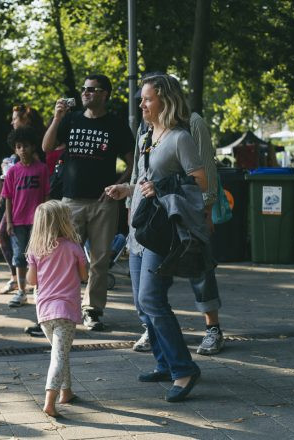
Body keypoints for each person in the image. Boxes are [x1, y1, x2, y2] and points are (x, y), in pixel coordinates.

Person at [105, 74, 207, 402]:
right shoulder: (145, 135)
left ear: (165, 99)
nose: (141, 104)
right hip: (141, 226)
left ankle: (184, 368)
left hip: (163, 230)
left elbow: (201, 182)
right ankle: (163, 362)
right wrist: (129, 189)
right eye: (141, 99)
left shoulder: (181, 138)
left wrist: (161, 187)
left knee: (152, 299)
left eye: (147, 99)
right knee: (140, 302)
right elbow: (145, 179)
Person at [42, 74, 134, 331]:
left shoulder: (115, 125)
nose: (86, 93)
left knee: (100, 259)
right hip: (71, 200)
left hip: (104, 202)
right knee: (64, 256)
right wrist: (57, 117)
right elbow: (47, 147)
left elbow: (132, 161)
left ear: (105, 94)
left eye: (92, 90)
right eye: (84, 89)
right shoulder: (70, 119)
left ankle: (92, 310)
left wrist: (119, 186)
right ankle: (61, 308)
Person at [132, 108, 224, 356]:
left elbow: (205, 169)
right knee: (151, 286)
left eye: (148, 98)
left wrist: (206, 209)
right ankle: (155, 331)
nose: (142, 104)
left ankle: (212, 328)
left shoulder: (191, 123)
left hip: (186, 209)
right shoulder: (146, 126)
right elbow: (140, 170)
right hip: (155, 214)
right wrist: (131, 200)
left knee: (200, 267)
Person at [26, 200, 88, 417]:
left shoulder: (36, 250)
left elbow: (32, 281)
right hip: (66, 311)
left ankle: (67, 392)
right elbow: (84, 276)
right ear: (64, 222)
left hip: (44, 312)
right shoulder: (73, 248)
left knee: (60, 352)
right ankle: (50, 401)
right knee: (59, 356)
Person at [1, 126, 49, 307]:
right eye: (19, 146)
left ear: (33, 147)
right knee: (19, 257)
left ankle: (39, 290)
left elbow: (46, 195)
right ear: (14, 149)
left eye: (26, 146)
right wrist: (9, 221)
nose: (23, 149)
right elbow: (8, 198)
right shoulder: (12, 171)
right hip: (18, 221)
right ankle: (21, 292)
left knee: (38, 256)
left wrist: (46, 219)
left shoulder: (42, 169)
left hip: (37, 221)